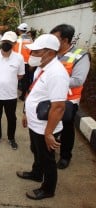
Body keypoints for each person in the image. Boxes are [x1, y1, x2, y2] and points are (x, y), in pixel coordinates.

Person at [16, 34, 70, 200]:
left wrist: (48, 133)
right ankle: (36, 173)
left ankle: (48, 189)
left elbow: (59, 107)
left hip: (46, 128)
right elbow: (33, 92)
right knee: (36, 151)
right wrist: (26, 113)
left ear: (49, 52)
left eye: (36, 52)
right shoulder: (42, 68)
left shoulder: (57, 73)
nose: (32, 55)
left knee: (47, 159)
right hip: (35, 124)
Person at [50, 24, 90, 169]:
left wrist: (54, 80)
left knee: (66, 128)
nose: (52, 42)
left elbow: (78, 80)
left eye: (55, 39)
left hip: (68, 100)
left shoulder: (80, 55)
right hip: (51, 97)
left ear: (65, 40)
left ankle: (65, 156)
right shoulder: (52, 53)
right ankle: (50, 149)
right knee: (51, 125)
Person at [0, 31, 25, 150]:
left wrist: (7, 82)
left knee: (11, 118)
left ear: (13, 43)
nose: (6, 44)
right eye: (4, 41)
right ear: (1, 42)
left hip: (10, 96)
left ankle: (11, 138)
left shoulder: (19, 58)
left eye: (9, 42)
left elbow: (20, 75)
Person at [13, 23, 33, 101]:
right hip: (27, 63)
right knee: (26, 80)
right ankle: (24, 95)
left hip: (17, 62)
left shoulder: (16, 40)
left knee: (15, 79)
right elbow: (32, 52)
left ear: (19, 30)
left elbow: (13, 51)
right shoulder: (30, 40)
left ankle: (14, 94)